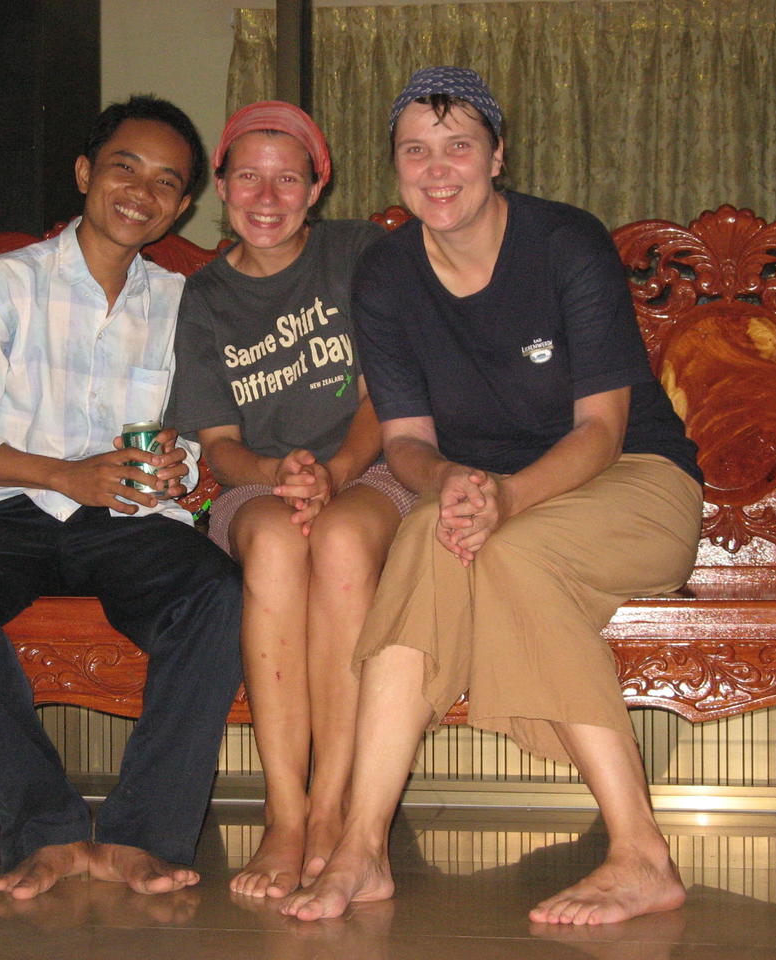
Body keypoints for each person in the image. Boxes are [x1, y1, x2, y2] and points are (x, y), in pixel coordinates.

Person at [282, 67, 704, 926]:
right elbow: (405, 440)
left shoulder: (564, 243)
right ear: (395, 166)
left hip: (634, 481)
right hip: (487, 495)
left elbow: (602, 430)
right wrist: (449, 483)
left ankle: (641, 852)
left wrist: (506, 499)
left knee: (508, 551)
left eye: (458, 146)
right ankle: (362, 847)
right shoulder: (386, 274)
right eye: (415, 151)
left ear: (497, 155)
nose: (437, 169)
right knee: (424, 540)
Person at [0, 95, 243, 902]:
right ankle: (47, 828)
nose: (142, 192)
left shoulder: (183, 304)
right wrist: (65, 475)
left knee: (218, 594)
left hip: (127, 518)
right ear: (86, 173)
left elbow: (196, 433)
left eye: (167, 181)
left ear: (181, 206)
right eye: (126, 167)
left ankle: (140, 836)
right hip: (6, 511)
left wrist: (177, 466)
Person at [165, 101, 414, 899]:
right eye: (248, 177)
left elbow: (383, 396)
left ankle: (333, 808)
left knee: (339, 541)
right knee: (276, 543)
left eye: (287, 180)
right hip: (260, 482)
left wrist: (335, 471)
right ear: (222, 186)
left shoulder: (359, 254)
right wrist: (279, 474)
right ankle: (284, 813)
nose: (266, 198)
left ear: (316, 188)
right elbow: (219, 444)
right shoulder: (205, 297)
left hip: (370, 467)